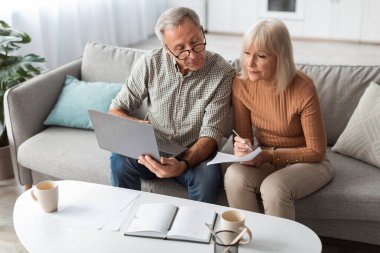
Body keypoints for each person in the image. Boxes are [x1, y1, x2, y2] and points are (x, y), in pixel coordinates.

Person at [108, 7, 235, 204]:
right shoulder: (151, 62)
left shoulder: (223, 73)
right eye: (180, 49)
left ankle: (194, 232)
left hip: (194, 153)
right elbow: (116, 109)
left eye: (196, 43)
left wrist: (182, 164)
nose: (192, 55)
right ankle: (124, 219)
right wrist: (135, 125)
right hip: (152, 148)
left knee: (208, 179)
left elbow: (211, 134)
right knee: (119, 160)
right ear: (167, 49)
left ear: (202, 31)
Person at [224, 19, 333, 220]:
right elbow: (243, 137)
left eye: (261, 56)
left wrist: (268, 155)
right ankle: (250, 242)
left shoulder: (303, 87)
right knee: (234, 175)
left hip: (309, 162)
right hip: (268, 159)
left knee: (274, 188)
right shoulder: (240, 84)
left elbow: (317, 151)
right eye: (247, 53)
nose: (250, 63)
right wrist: (243, 148)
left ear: (280, 57)